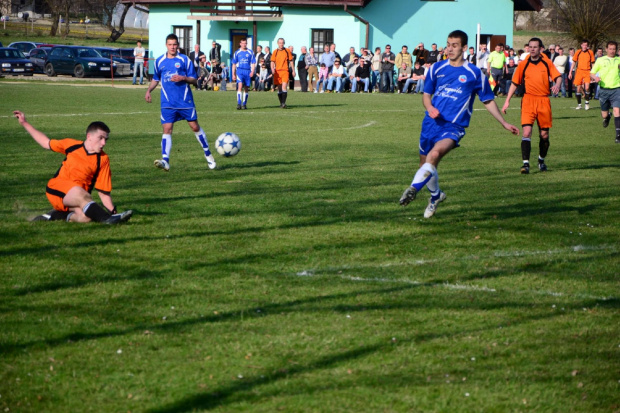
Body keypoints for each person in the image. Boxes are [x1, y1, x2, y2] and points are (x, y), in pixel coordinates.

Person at [399, 30, 519, 218]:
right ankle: (436, 196)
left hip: (454, 126)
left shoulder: (474, 73)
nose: (450, 48)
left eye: (455, 45)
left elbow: (487, 100)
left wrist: (503, 122)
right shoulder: (437, 68)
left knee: (435, 154)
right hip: (430, 123)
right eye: (448, 44)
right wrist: (430, 108)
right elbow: (426, 95)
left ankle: (412, 189)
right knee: (425, 164)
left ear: (464, 48)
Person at [13, 111, 133, 224]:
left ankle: (55, 215)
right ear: (89, 136)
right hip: (56, 189)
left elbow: (103, 191)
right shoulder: (72, 145)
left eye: (106, 139)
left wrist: (114, 212)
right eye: (100, 138)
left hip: (77, 198)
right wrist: (24, 123)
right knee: (80, 193)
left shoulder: (103, 159)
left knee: (87, 217)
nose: (103, 143)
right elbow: (46, 142)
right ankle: (106, 219)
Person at [145, 33, 216, 172]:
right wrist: (148, 91)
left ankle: (208, 154)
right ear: (166, 45)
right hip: (167, 101)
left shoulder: (184, 60)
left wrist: (183, 78)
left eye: (175, 44)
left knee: (195, 127)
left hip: (184, 100)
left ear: (178, 45)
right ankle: (165, 160)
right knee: (167, 129)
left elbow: (195, 80)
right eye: (170, 45)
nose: (172, 47)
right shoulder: (159, 61)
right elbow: (155, 79)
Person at [502, 38, 562, 174]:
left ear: (540, 48)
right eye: (530, 47)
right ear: (528, 48)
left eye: (535, 47)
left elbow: (558, 77)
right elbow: (514, 83)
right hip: (528, 100)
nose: (533, 49)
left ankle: (541, 160)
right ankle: (526, 164)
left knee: (544, 135)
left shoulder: (547, 62)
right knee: (527, 132)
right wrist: (507, 101)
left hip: (543, 101)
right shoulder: (523, 64)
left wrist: (557, 84)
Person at [590, 41, 620, 144]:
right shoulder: (600, 60)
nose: (612, 51)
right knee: (604, 115)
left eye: (614, 49)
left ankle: (618, 136)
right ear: (606, 49)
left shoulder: (619, 60)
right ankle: (607, 117)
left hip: (617, 89)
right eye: (610, 49)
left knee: (617, 111)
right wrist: (596, 78)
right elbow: (592, 73)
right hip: (604, 90)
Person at [569, 40, 595, 110]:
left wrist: (593, 73)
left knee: (587, 87)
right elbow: (574, 62)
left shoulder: (590, 52)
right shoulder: (578, 52)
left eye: (586, 45)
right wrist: (570, 72)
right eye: (583, 45)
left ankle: (587, 103)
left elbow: (593, 63)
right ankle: (579, 105)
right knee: (578, 89)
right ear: (581, 45)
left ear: (587, 46)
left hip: (587, 71)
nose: (584, 46)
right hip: (579, 71)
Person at [232, 38, 256, 110]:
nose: (244, 44)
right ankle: (239, 103)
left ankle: (244, 104)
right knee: (240, 86)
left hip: (247, 71)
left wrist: (252, 71)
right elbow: (234, 64)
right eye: (242, 43)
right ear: (240, 44)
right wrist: (233, 74)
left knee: (246, 88)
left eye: (245, 43)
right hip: (239, 71)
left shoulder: (250, 52)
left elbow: (253, 63)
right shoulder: (237, 53)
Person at [270, 38, 295, 108]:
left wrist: (293, 70)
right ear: (278, 43)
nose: (281, 44)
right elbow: (272, 61)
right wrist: (272, 69)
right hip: (277, 72)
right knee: (279, 88)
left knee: (284, 86)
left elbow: (291, 61)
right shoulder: (275, 51)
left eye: (282, 43)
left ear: (284, 43)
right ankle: (281, 103)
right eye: (280, 43)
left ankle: (283, 103)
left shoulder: (287, 51)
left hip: (285, 71)